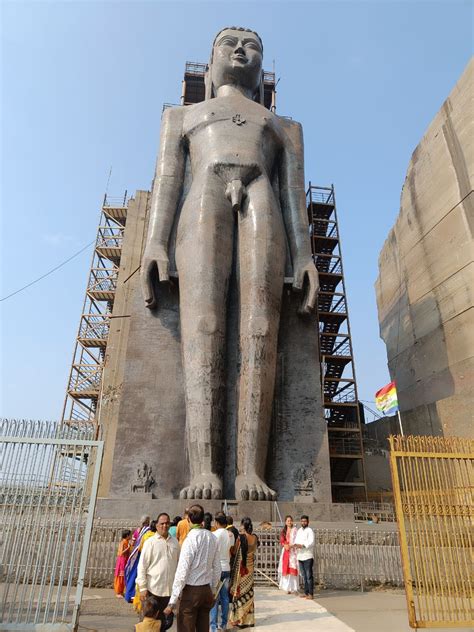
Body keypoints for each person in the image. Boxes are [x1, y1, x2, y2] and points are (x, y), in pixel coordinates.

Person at [141, 27, 318, 503]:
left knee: (260, 325)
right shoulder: (183, 116)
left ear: (261, 66)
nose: (241, 49)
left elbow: (293, 196)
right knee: (205, 323)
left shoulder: (283, 127)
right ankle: (203, 469)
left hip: (261, 195)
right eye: (230, 42)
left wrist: (304, 256)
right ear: (211, 58)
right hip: (203, 196)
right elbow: (167, 181)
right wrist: (155, 243)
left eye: (252, 45)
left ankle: (250, 472)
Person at [164, 504, 220, 632]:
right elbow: (217, 568)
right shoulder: (212, 537)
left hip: (191, 591)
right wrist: (213, 589)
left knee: (185, 627)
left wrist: (172, 601)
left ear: (188, 519)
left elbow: (182, 572)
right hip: (206, 589)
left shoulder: (190, 540)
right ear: (202, 519)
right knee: (203, 628)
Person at [136, 512, 179, 629]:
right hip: (152, 590)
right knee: (149, 624)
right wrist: (143, 588)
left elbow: (179, 565)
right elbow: (142, 566)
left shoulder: (175, 542)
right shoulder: (150, 542)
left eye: (167, 523)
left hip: (169, 592)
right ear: (157, 525)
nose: (164, 526)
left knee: (165, 623)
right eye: (162, 523)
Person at [229, 517, 258, 627]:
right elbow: (254, 549)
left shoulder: (241, 538)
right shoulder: (255, 538)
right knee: (249, 593)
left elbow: (234, 551)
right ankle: (249, 620)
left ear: (243, 526)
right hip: (250, 570)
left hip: (241, 570)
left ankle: (240, 620)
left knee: (240, 594)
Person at [210, 513, 235, 632]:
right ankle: (223, 624)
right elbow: (231, 548)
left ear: (216, 522)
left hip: (217, 569)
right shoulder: (230, 534)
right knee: (225, 598)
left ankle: (213, 626)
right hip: (226, 568)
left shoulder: (214, 534)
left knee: (215, 597)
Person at [125, 516, 152, 602]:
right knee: (139, 574)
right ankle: (134, 595)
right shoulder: (148, 532)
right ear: (148, 522)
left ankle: (129, 594)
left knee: (134, 574)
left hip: (136, 554)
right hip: (141, 555)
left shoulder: (138, 530)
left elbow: (132, 542)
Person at [295, 514, 315, 599]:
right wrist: (296, 545)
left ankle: (311, 594)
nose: (303, 522)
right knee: (304, 576)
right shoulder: (299, 530)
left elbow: (311, 542)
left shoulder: (310, 530)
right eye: (302, 521)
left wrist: (302, 545)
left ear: (308, 522)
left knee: (309, 576)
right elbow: (296, 540)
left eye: (305, 521)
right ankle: (306, 593)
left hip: (307, 556)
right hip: (300, 556)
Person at [278, 515, 298, 594]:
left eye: (290, 520)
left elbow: (297, 540)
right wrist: (284, 545)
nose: (289, 522)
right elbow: (282, 540)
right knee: (285, 567)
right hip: (286, 551)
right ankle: (287, 588)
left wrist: (291, 545)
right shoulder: (283, 531)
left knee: (292, 567)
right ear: (285, 522)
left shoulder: (295, 530)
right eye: (288, 521)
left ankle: (293, 588)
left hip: (292, 551)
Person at [114, 529, 132, 597]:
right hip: (122, 560)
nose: (131, 536)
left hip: (125, 560)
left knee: (123, 576)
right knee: (120, 576)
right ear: (127, 536)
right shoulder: (123, 542)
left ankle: (121, 591)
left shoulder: (127, 542)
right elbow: (121, 553)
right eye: (130, 535)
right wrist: (128, 548)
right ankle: (118, 592)